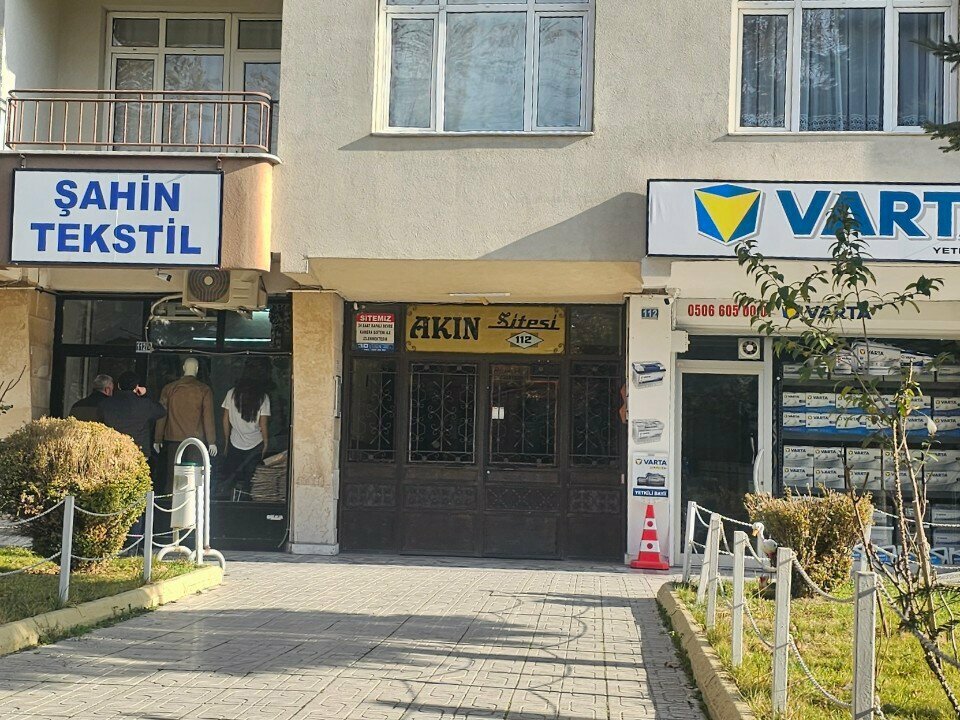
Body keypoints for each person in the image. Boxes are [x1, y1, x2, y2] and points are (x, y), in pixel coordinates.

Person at [220, 377, 270, 500]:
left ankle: (232, 502)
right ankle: (247, 502)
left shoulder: (231, 393)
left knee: (232, 476)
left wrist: (226, 441)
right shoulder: (263, 397)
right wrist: (266, 444)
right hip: (256, 443)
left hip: (235, 441)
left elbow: (225, 419)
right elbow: (263, 424)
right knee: (250, 480)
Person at [98, 371, 166, 457]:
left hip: (113, 451)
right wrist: (146, 394)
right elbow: (161, 411)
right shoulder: (144, 404)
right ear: (137, 387)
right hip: (138, 451)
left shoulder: (105, 404)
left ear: (118, 385)